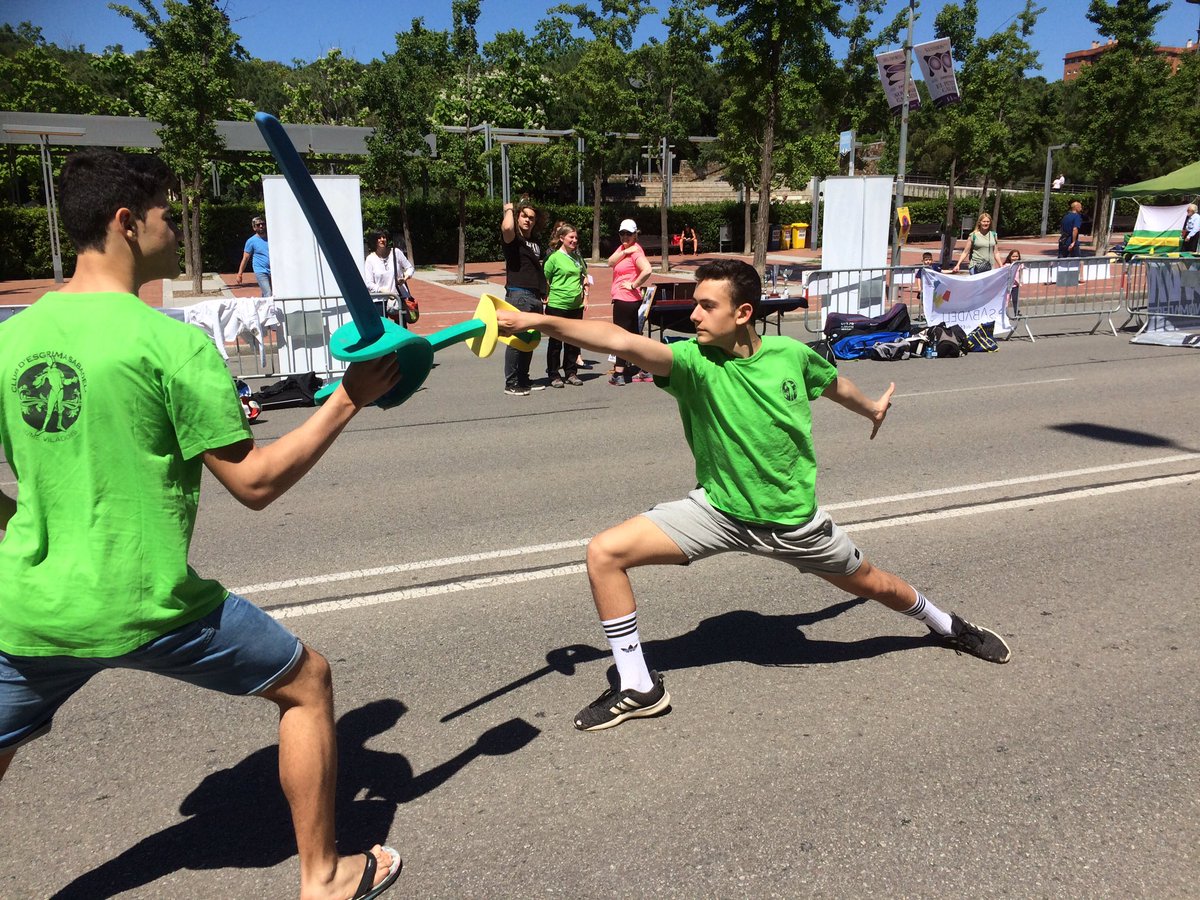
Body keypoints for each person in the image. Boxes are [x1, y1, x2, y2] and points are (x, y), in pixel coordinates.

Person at [0, 150, 403, 900]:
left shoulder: (11, 337)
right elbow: (255, 483)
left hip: (27, 605)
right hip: (147, 602)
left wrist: (29, 527)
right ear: (127, 222)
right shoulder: (171, 343)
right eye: (166, 214)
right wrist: (348, 398)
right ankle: (323, 878)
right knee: (307, 682)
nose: (177, 229)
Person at [495, 258, 1011, 733]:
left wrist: (872, 409)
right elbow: (617, 339)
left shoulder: (791, 355)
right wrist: (538, 321)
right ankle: (639, 686)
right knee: (604, 553)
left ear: (743, 313)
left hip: (794, 525)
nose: (693, 314)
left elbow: (832, 385)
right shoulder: (693, 363)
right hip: (717, 511)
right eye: (695, 304)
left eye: (706, 305)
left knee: (874, 584)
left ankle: (946, 625)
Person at [500, 199, 548, 396]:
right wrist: (509, 210)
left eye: (531, 218)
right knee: (516, 339)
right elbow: (507, 227)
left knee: (529, 339)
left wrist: (544, 290)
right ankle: (511, 383)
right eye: (524, 216)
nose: (528, 220)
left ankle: (523, 379)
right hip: (519, 294)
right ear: (517, 217)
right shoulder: (513, 240)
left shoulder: (535, 242)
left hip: (534, 296)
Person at [607, 218, 653, 385]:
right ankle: (644, 369)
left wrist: (633, 284)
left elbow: (647, 270)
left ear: (635, 235)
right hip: (627, 299)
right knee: (633, 336)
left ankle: (619, 373)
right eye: (622, 233)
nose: (625, 236)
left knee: (620, 337)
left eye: (629, 233)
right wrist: (625, 251)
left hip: (625, 299)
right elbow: (610, 262)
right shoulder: (624, 249)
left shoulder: (636, 252)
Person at [542, 222, 588, 388]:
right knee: (556, 342)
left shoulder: (577, 258)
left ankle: (571, 372)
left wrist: (585, 296)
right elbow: (545, 277)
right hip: (557, 305)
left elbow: (584, 277)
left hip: (575, 306)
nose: (574, 240)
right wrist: (545, 295)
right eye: (571, 237)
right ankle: (554, 374)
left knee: (573, 340)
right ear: (562, 238)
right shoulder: (554, 258)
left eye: (576, 237)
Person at [363, 231, 415, 328]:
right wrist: (382, 290)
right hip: (380, 299)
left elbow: (410, 268)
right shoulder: (370, 259)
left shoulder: (396, 253)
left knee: (401, 328)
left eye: (384, 237)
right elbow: (369, 283)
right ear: (374, 241)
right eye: (379, 238)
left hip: (398, 297)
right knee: (382, 328)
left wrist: (405, 278)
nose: (382, 240)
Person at [236, 215, 272, 297]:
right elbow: (245, 258)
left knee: (267, 293)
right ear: (254, 228)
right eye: (258, 225)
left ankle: (262, 305)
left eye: (263, 224)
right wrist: (240, 274)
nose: (261, 226)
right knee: (268, 293)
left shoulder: (271, 238)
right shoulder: (251, 241)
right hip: (260, 271)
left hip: (273, 271)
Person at [1004, 249, 1023, 315]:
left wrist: (1020, 281)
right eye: (1013, 256)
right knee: (1006, 300)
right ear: (1010, 257)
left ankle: (1016, 312)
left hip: (1015, 285)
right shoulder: (1006, 265)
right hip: (1007, 286)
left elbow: (1021, 273)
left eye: (1016, 256)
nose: (1015, 258)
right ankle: (1005, 313)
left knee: (1015, 300)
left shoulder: (1020, 265)